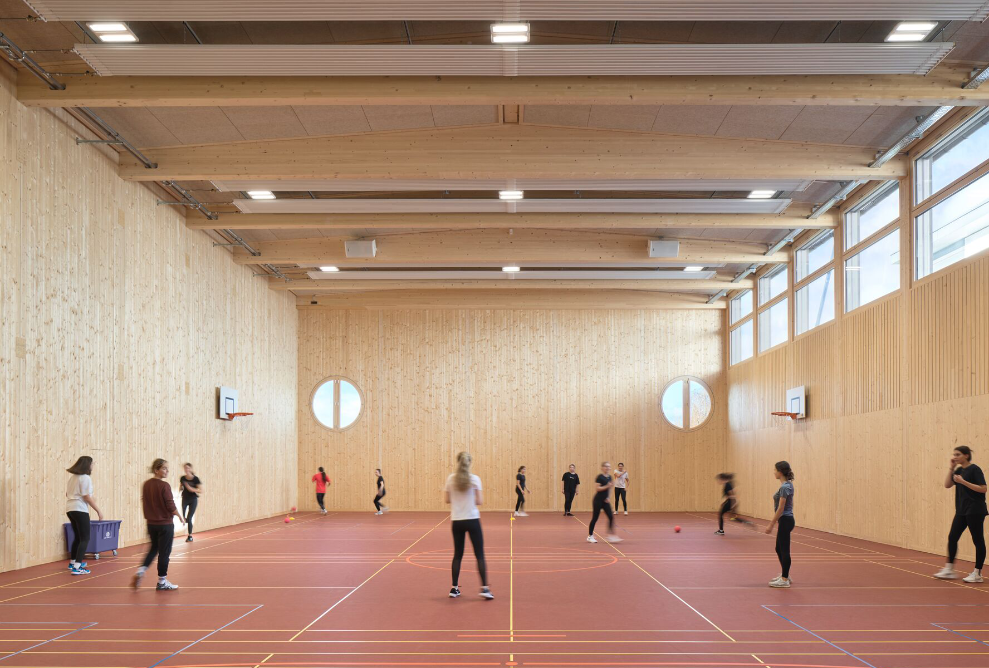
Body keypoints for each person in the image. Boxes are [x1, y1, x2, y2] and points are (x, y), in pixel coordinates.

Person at [444, 451, 494, 600]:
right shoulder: (475, 479)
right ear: (469, 463)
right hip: (472, 519)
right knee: (479, 554)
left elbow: (447, 499)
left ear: (457, 462)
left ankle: (454, 588)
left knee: (457, 555)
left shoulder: (451, 479)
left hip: (457, 520)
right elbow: (479, 501)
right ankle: (485, 588)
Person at [935, 446, 987, 583]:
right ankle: (949, 569)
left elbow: (983, 489)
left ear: (966, 455)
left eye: (958, 454)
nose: (955, 457)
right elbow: (947, 485)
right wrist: (951, 468)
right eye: (954, 454)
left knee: (977, 540)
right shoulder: (958, 470)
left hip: (975, 509)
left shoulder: (975, 469)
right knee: (952, 537)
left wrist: (963, 482)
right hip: (962, 510)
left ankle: (977, 573)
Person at [132, 459, 184, 591]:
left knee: (153, 548)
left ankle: (141, 570)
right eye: (164, 468)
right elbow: (170, 505)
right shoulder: (164, 486)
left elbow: (145, 502)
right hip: (165, 524)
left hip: (151, 524)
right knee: (164, 553)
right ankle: (162, 582)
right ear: (156, 470)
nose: (167, 471)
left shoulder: (146, 484)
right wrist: (179, 516)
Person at [65, 456, 104, 575]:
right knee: (85, 538)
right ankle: (77, 567)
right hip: (80, 509)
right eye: (92, 463)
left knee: (78, 537)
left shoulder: (73, 478)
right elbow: (86, 496)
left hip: (70, 509)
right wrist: (98, 510)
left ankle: (73, 562)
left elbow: (68, 494)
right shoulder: (85, 478)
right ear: (88, 465)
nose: (93, 465)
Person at [765, 461, 795, 588]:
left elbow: (781, 508)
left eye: (775, 470)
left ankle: (784, 579)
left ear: (780, 472)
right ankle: (785, 575)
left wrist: (771, 524)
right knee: (779, 549)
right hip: (785, 520)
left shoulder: (785, 487)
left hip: (785, 520)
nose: (774, 472)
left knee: (784, 550)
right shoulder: (787, 485)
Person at [587, 462, 622, 544]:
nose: (607, 468)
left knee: (611, 517)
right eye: (606, 466)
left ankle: (610, 536)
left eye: (609, 466)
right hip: (597, 501)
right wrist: (607, 486)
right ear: (602, 468)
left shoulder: (610, 477)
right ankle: (590, 536)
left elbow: (610, 489)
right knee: (595, 518)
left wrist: (608, 497)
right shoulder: (599, 477)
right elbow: (597, 488)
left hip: (605, 501)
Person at [179, 463, 202, 543]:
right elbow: (181, 485)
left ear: (191, 469)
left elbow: (200, 490)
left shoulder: (195, 479)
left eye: (188, 468)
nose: (186, 469)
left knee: (189, 518)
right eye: (185, 468)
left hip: (193, 500)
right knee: (184, 517)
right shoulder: (182, 478)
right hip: (185, 499)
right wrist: (180, 488)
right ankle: (185, 520)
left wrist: (191, 489)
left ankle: (190, 536)